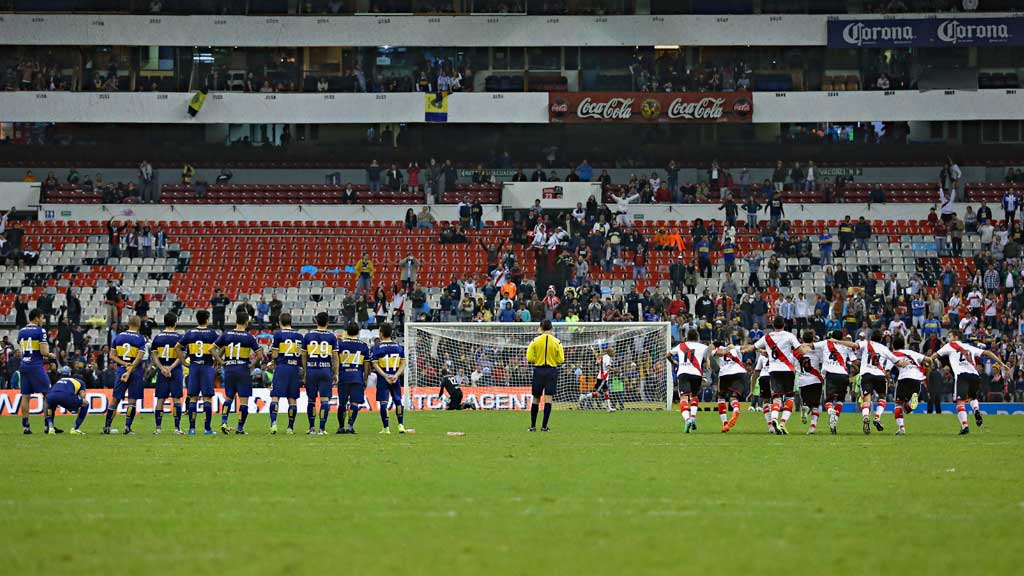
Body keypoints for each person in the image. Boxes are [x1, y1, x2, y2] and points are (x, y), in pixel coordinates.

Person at [929, 330, 1008, 435]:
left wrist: (927, 360)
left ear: (956, 337)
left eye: (950, 336)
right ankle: (976, 410)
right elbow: (988, 353)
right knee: (972, 398)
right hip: (975, 376)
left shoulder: (950, 345)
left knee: (960, 402)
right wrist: (1002, 363)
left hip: (962, 375)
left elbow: (935, 355)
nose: (948, 338)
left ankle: (965, 426)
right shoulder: (969, 346)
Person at [213, 310, 261, 435]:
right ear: (246, 322)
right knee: (244, 400)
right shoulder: (249, 337)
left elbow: (211, 349)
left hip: (229, 368)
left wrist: (221, 361)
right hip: (243, 369)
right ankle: (240, 428)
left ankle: (224, 421)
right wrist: (252, 364)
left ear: (236, 321)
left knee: (229, 397)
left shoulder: (226, 334)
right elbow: (260, 354)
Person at [853, 329, 908, 435]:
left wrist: (840, 342)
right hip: (879, 376)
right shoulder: (884, 349)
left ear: (871, 336)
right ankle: (877, 417)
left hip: (866, 374)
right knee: (882, 397)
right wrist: (905, 363)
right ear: (881, 339)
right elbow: (897, 362)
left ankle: (865, 417)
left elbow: (854, 345)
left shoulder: (865, 343)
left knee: (866, 400)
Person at [753, 317, 801, 435]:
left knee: (776, 398)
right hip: (788, 370)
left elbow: (752, 347)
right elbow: (799, 349)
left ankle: (774, 419)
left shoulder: (767, 337)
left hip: (773, 370)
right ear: (784, 324)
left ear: (773, 325)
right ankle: (782, 423)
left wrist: (760, 350)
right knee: (789, 398)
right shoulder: (790, 336)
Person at [179, 310, 220, 435]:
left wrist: (184, 362)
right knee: (207, 398)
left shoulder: (190, 333)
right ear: (207, 319)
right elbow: (223, 344)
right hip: (207, 367)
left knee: (193, 398)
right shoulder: (212, 333)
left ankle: (192, 428)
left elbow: (177, 347)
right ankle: (207, 428)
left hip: (194, 367)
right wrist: (217, 359)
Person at [105, 315, 147, 435]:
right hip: (136, 371)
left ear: (128, 324)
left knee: (115, 398)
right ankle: (127, 428)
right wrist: (131, 368)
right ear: (139, 325)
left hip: (121, 370)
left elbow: (112, 356)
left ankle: (107, 427)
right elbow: (139, 357)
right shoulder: (140, 338)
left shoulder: (118, 337)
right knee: (132, 400)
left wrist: (124, 364)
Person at [16, 309, 55, 434]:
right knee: (48, 395)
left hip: (24, 365)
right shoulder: (40, 331)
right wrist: (50, 355)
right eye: (42, 318)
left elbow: (22, 348)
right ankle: (47, 425)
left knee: (25, 396)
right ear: (37, 318)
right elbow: (43, 352)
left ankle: (26, 426)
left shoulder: (21, 331)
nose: (43, 321)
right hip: (36, 365)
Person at [812, 330, 858, 435]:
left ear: (832, 336)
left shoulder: (825, 343)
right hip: (843, 375)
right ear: (842, 338)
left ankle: (830, 412)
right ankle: (834, 422)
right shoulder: (846, 346)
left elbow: (811, 345)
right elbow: (855, 362)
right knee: (840, 400)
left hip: (830, 374)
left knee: (828, 401)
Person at [302, 312, 339, 435]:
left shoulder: (308, 336)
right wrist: (336, 373)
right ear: (328, 323)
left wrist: (305, 371)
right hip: (325, 370)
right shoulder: (331, 337)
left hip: (312, 369)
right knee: (324, 400)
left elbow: (303, 355)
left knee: (311, 400)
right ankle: (322, 429)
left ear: (316, 321)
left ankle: (312, 428)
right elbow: (335, 357)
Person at [667, 329, 710, 433]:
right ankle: (693, 417)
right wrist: (708, 359)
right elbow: (712, 350)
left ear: (687, 337)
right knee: (694, 396)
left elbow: (668, 355)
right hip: (696, 374)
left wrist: (674, 362)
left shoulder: (681, 346)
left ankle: (687, 420)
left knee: (684, 398)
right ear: (697, 337)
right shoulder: (702, 346)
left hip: (684, 373)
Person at [268, 312, 304, 434]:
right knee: (292, 399)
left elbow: (274, 354)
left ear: (279, 322)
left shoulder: (278, 335)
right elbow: (300, 354)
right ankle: (290, 427)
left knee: (275, 397)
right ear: (291, 322)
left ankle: (273, 424)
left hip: (282, 367)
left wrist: (273, 362)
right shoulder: (299, 336)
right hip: (294, 368)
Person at [150, 313, 185, 435]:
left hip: (162, 370)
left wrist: (162, 368)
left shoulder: (158, 337)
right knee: (176, 399)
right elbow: (181, 356)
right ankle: (177, 428)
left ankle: (158, 428)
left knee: (160, 399)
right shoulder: (179, 337)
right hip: (175, 370)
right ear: (175, 322)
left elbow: (154, 355)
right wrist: (170, 368)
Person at [526, 319, 564, 432]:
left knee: (536, 398)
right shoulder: (557, 342)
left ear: (541, 328)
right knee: (548, 399)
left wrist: (537, 359)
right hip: (551, 371)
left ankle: (533, 426)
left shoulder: (535, 341)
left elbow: (529, 358)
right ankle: (544, 427)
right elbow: (561, 359)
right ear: (551, 328)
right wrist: (553, 359)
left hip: (539, 370)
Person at [370, 322, 407, 434]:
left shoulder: (376, 348)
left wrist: (385, 375)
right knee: (398, 400)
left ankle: (386, 428)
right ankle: (401, 425)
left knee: (383, 402)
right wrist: (396, 375)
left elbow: (375, 365)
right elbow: (403, 363)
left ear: (381, 333)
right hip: (395, 377)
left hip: (383, 378)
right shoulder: (399, 347)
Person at [890, 334, 930, 436]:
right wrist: (927, 368)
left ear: (893, 345)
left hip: (904, 378)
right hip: (917, 378)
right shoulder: (912, 353)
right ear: (904, 345)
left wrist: (888, 379)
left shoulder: (892, 354)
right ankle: (912, 401)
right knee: (907, 409)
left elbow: (886, 369)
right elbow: (927, 360)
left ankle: (901, 428)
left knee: (898, 404)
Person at [336, 322, 370, 434]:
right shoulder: (363, 345)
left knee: (342, 403)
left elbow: (336, 360)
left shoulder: (340, 344)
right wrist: (365, 378)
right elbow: (366, 365)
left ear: (347, 331)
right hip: (357, 376)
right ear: (358, 332)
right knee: (354, 403)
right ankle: (350, 426)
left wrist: (335, 374)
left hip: (343, 376)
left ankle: (341, 427)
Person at [713, 340, 749, 432]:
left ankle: (725, 423)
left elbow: (717, 353)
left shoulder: (716, 350)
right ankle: (736, 408)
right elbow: (745, 347)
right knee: (733, 397)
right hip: (739, 372)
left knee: (721, 397)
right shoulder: (734, 348)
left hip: (724, 373)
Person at [794, 330, 825, 434]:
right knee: (815, 405)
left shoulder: (797, 351)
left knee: (807, 403)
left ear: (802, 339)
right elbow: (822, 362)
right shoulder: (817, 350)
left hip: (802, 380)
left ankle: (806, 408)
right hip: (815, 379)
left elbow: (794, 364)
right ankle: (812, 427)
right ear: (813, 340)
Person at [579, 346, 615, 412]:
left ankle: (608, 408)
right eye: (612, 351)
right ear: (609, 352)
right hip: (602, 378)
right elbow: (608, 367)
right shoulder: (607, 358)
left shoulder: (605, 357)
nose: (614, 352)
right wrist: (616, 370)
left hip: (603, 378)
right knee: (598, 393)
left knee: (606, 393)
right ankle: (584, 396)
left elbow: (599, 362)